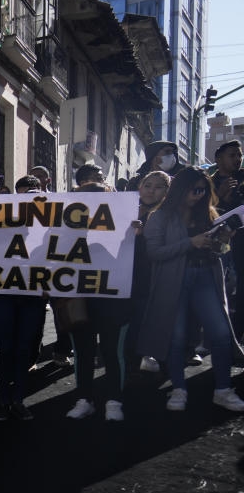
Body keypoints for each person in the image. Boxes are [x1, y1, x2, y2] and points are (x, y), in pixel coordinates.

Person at [138, 168, 244, 412]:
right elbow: (154, 253)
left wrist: (223, 241)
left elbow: (219, 251)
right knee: (175, 337)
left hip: (205, 276)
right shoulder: (160, 216)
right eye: (194, 190)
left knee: (220, 333)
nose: (198, 196)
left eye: (203, 191)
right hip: (174, 280)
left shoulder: (208, 213)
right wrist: (190, 242)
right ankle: (178, 388)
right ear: (180, 190)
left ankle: (223, 389)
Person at [62, 182, 134, 421]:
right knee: (83, 351)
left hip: (113, 300)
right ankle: (85, 399)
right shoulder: (65, 230)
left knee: (112, 352)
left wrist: (136, 236)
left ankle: (114, 400)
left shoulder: (126, 227)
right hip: (80, 299)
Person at [128, 171, 170, 373]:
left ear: (166, 193)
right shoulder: (124, 209)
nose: (151, 190)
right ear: (139, 187)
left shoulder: (166, 216)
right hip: (122, 278)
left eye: (159, 186)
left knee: (140, 321)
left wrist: (144, 235)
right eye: (148, 185)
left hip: (148, 277)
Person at [210, 141, 244, 337]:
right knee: (218, 286)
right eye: (232, 155)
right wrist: (220, 196)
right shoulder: (207, 181)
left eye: (239, 155)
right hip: (218, 242)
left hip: (241, 242)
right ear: (218, 159)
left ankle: (237, 335)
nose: (237, 159)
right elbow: (204, 212)